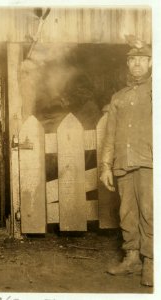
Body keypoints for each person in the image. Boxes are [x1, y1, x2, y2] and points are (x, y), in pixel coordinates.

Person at [100, 39, 152, 287]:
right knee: (127, 212)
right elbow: (109, 134)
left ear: (151, 63)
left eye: (142, 59)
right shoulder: (118, 98)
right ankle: (132, 258)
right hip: (123, 163)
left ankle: (152, 261)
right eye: (132, 59)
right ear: (127, 64)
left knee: (151, 212)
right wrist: (105, 166)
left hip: (149, 162)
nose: (137, 64)